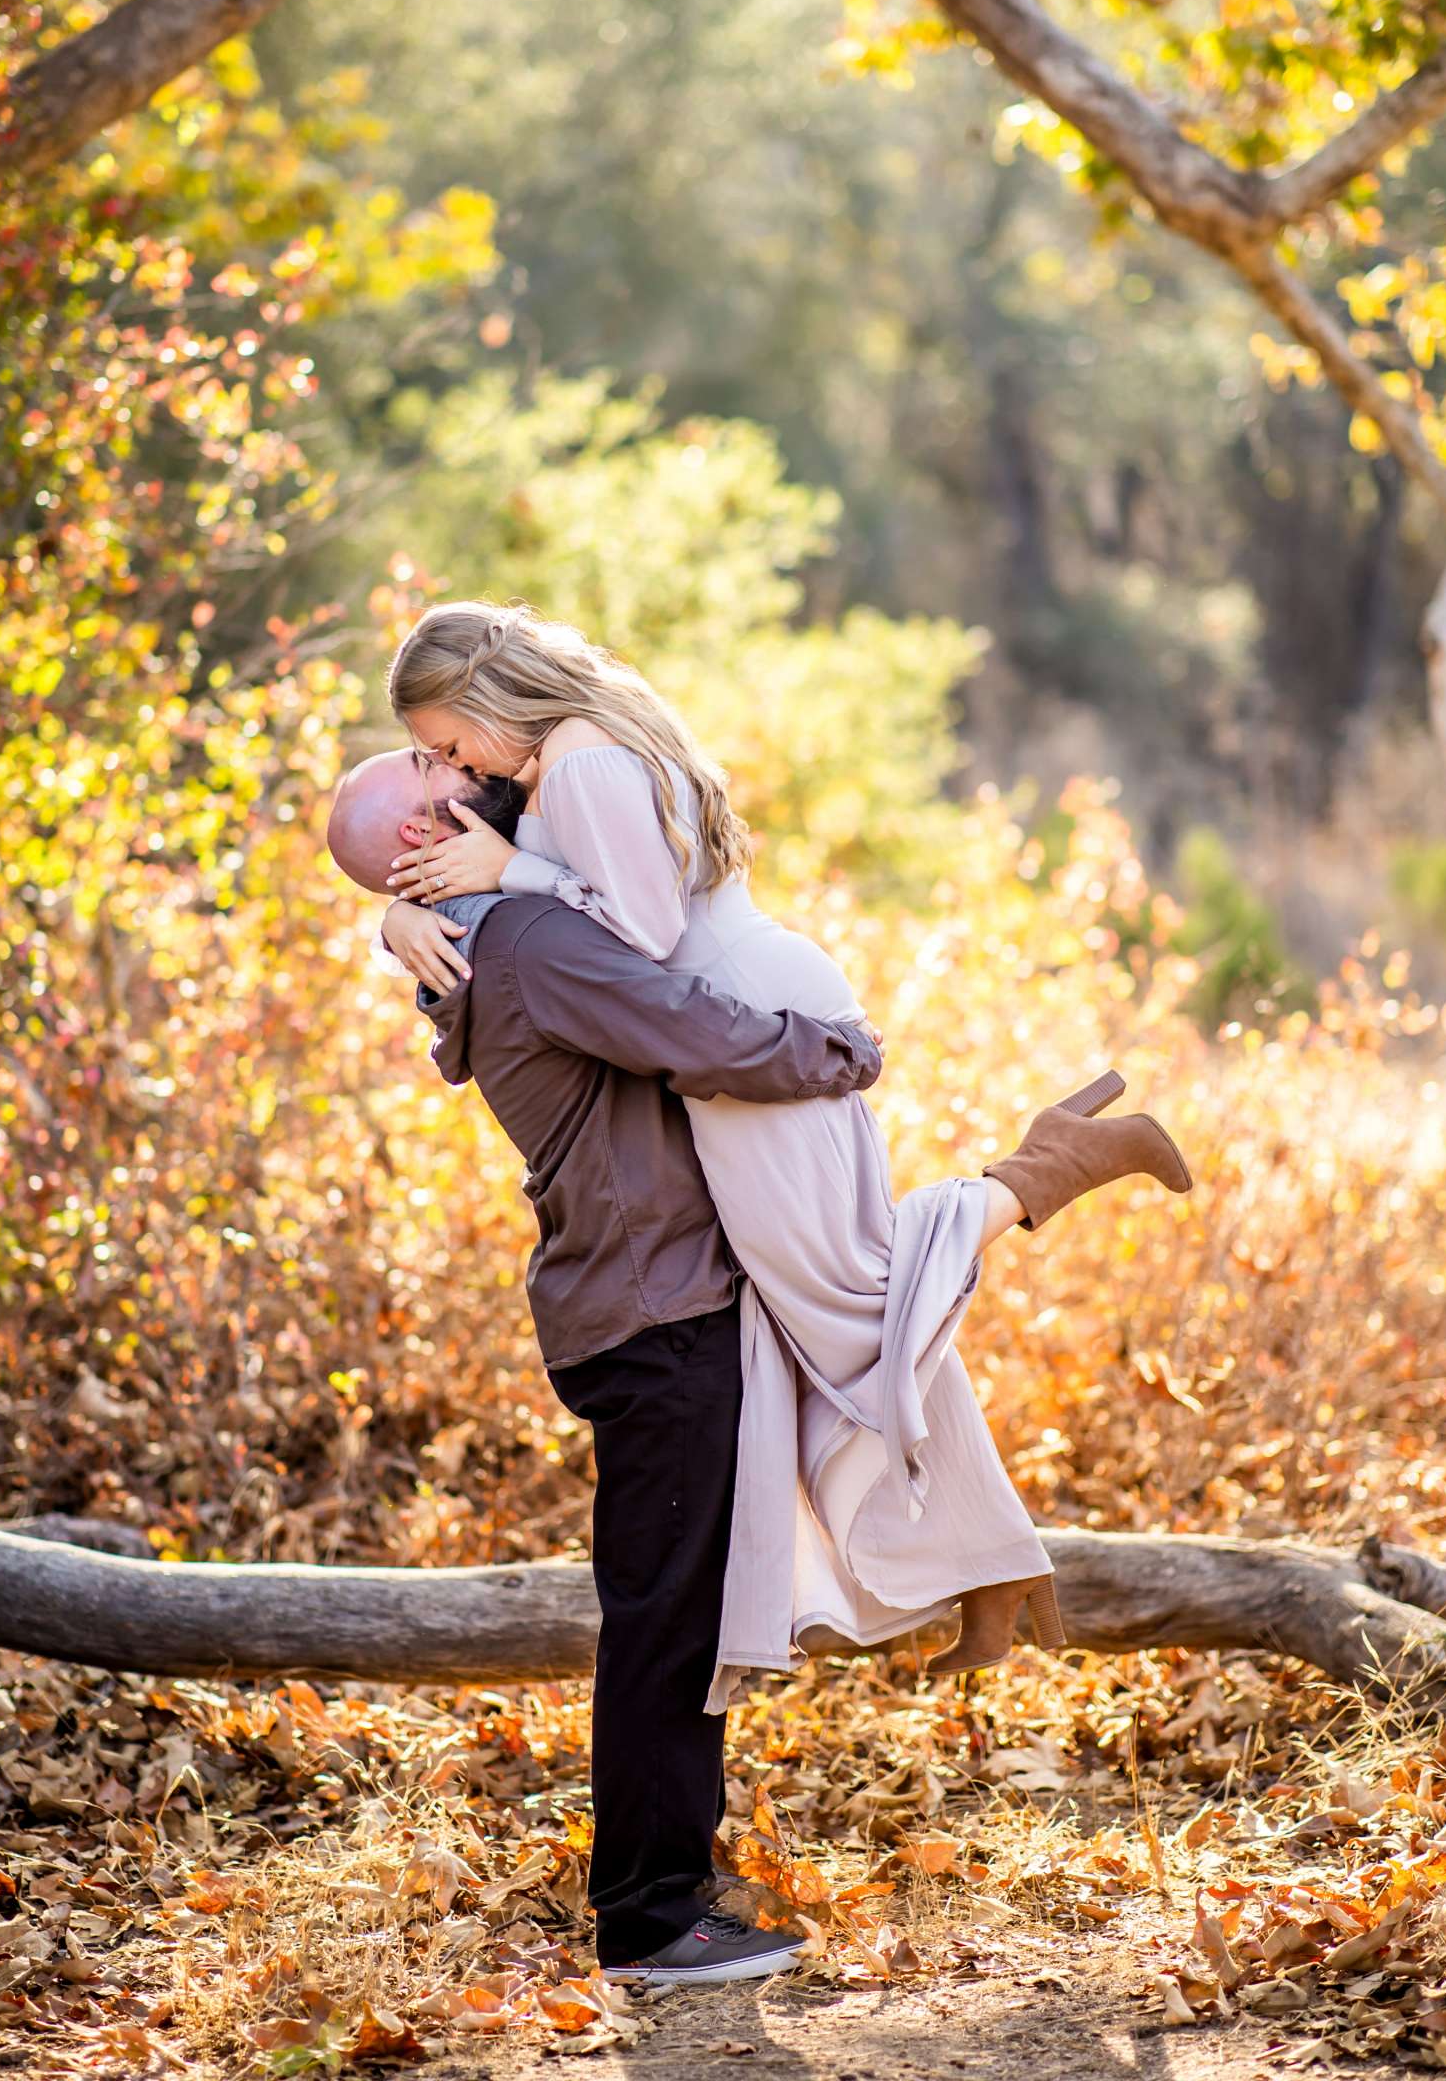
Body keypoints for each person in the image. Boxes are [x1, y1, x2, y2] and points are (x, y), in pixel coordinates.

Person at [378, 603, 1193, 1710]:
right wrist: (395, 920)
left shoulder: (576, 768)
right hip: (743, 1011)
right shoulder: (570, 754)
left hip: (750, 1023)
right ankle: (987, 1567)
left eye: (442, 740)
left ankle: (1043, 1170)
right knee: (832, 1312)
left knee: (850, 1293)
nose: (444, 766)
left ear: (488, 701)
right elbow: (428, 863)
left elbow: (643, 941)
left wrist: (510, 872)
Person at [329, 749, 886, 1988]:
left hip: (637, 1299)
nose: (469, 763)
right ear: (429, 828)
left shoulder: (502, 929)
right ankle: (649, 1915)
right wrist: (842, 1049)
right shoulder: (529, 942)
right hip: (655, 1313)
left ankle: (670, 1884)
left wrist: (403, 910)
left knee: (668, 1604)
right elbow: (695, 1032)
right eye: (438, 766)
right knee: (664, 1618)